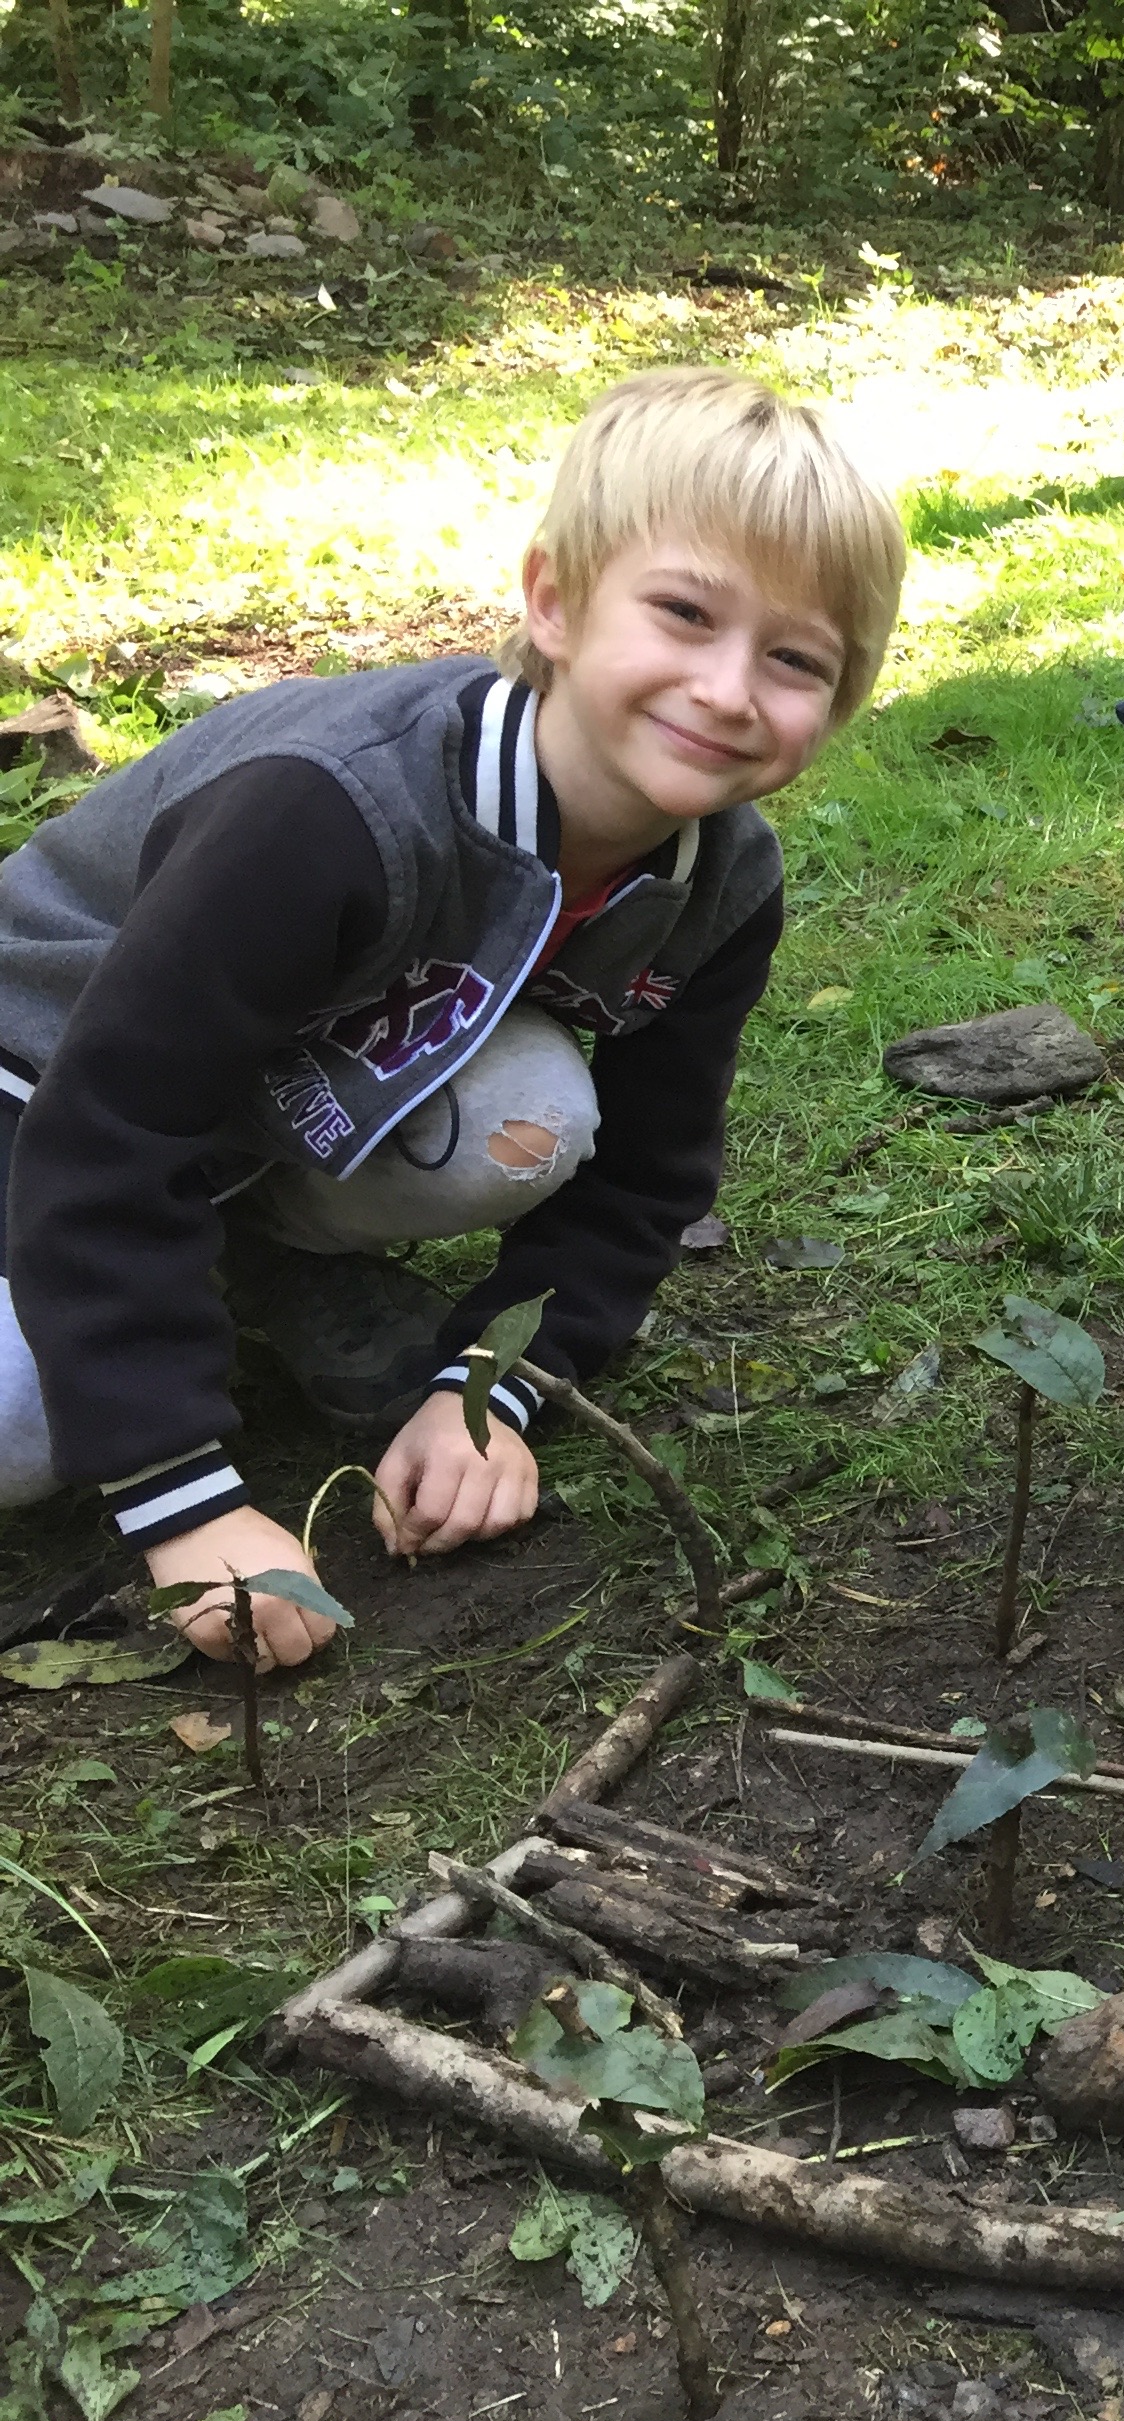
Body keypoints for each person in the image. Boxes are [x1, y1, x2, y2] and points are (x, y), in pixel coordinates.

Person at [0, 370, 905, 1668]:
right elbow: (109, 1126)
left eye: (795, 659)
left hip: (258, 1096)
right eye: (684, 613)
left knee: (529, 1117)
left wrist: (491, 1387)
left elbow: (648, 1178)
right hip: (36, 1083)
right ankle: (197, 1282)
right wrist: (185, 1503)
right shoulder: (325, 812)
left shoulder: (725, 881)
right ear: (555, 601)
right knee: (24, 1424)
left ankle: (254, 1256)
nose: (725, 688)